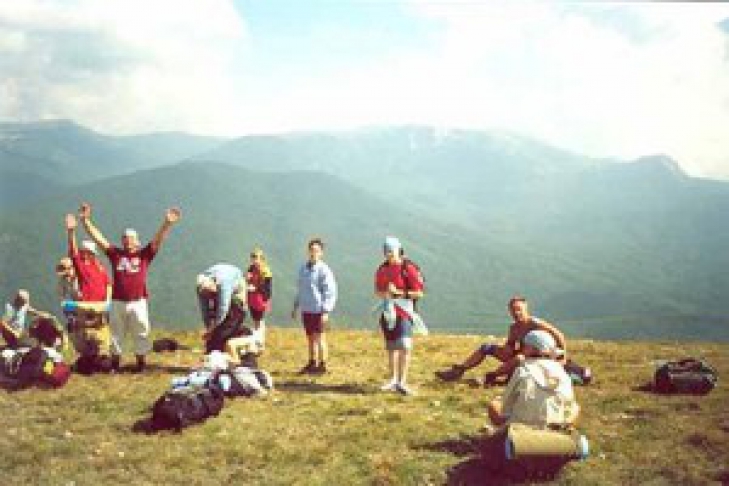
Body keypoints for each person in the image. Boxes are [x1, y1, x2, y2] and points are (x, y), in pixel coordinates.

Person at [78, 202, 181, 372]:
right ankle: (115, 364)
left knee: (141, 331)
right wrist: (86, 221)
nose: (127, 240)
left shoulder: (144, 255)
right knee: (116, 334)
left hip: (138, 302)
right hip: (118, 302)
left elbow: (158, 240)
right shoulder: (116, 255)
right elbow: (99, 239)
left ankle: (141, 363)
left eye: (131, 238)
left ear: (137, 242)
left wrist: (167, 223)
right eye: (125, 238)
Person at [435, 296, 567, 385]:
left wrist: (563, 357)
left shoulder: (535, 323)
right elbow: (509, 346)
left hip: (541, 358)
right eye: (513, 310)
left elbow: (559, 335)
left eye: (519, 309)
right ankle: (458, 371)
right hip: (523, 355)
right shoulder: (514, 328)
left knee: (518, 358)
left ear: (525, 309)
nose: (516, 313)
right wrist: (504, 350)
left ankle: (490, 377)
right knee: (486, 347)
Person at [487, 329, 579, 429]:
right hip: (557, 424)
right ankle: (563, 427)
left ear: (529, 349)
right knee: (576, 408)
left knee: (494, 405)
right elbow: (569, 404)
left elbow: (506, 406)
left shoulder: (522, 370)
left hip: (522, 427)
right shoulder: (562, 372)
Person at [375, 236, 425, 395]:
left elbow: (419, 293)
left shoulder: (408, 268)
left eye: (391, 250)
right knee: (391, 347)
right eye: (386, 251)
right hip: (388, 312)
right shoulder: (382, 269)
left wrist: (398, 293)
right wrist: (386, 294)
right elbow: (377, 291)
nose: (388, 254)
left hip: (404, 311)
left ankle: (402, 381)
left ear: (398, 250)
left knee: (405, 345)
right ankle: (393, 379)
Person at [291, 238, 337, 375]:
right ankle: (312, 362)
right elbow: (300, 289)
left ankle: (323, 365)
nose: (313, 253)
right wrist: (296, 306)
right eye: (311, 250)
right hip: (306, 309)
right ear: (308, 251)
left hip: (318, 310)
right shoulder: (303, 269)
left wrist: (326, 311)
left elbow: (330, 291)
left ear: (321, 253)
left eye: (316, 251)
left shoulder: (324, 270)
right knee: (310, 338)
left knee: (320, 337)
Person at [196, 263, 250, 357]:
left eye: (212, 293)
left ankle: (242, 333)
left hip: (237, 284)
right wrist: (209, 328)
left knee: (236, 310)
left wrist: (213, 328)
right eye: (207, 294)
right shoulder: (200, 286)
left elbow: (223, 309)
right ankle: (216, 345)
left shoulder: (224, 283)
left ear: (214, 285)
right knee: (218, 322)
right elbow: (204, 309)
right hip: (218, 278)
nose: (210, 296)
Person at [245, 247, 273, 347]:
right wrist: (247, 279)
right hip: (252, 298)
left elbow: (267, 288)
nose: (255, 260)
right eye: (253, 257)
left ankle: (260, 340)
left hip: (261, 298)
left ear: (261, 259)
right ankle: (257, 338)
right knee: (255, 318)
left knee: (259, 318)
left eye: (257, 258)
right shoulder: (251, 268)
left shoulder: (266, 271)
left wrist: (256, 288)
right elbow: (248, 280)